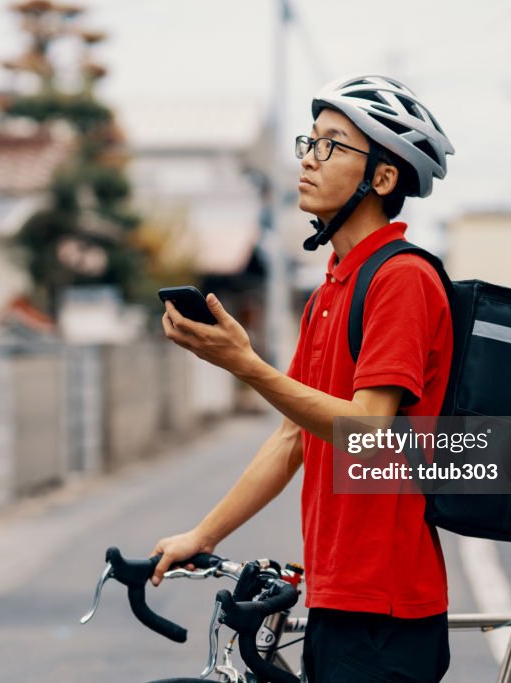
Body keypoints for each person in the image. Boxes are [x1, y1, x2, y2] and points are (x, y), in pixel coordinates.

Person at [156, 74, 455, 682]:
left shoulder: (402, 280)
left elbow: (369, 425)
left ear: (383, 177)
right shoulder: (331, 288)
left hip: (385, 607)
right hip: (338, 595)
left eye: (331, 145)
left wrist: (246, 365)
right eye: (309, 142)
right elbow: (292, 437)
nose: (309, 159)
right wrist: (203, 534)